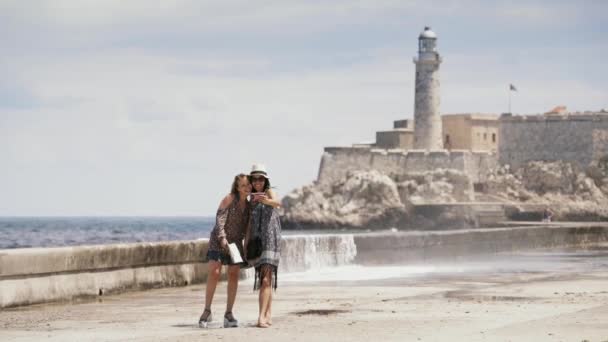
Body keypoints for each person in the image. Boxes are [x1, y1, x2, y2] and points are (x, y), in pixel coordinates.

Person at [198, 174, 251, 328]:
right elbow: (219, 220)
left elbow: (247, 228)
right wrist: (222, 239)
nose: (247, 188)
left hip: (234, 244)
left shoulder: (249, 206)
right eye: (243, 185)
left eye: (248, 185)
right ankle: (207, 311)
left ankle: (228, 314)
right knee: (214, 271)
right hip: (218, 240)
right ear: (237, 187)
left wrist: (246, 245)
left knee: (234, 274)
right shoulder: (229, 198)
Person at [245, 164, 282, 328]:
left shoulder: (268, 192)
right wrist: (245, 243)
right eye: (254, 179)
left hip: (271, 240)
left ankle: (261, 317)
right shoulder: (250, 199)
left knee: (266, 279)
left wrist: (266, 200)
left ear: (265, 180)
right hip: (257, 241)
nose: (257, 182)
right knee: (265, 279)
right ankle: (267, 315)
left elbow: (278, 203)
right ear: (251, 181)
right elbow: (248, 223)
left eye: (260, 179)